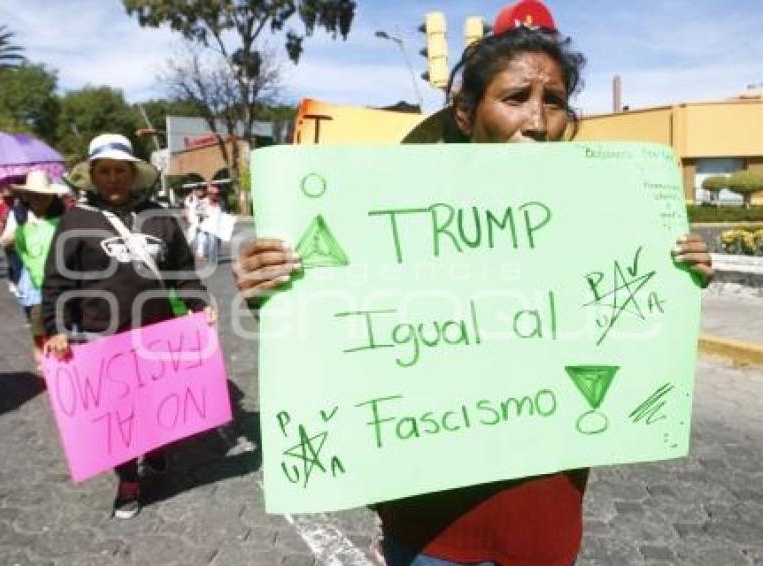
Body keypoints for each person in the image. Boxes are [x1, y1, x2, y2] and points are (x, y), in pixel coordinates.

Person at [233, 1, 714, 564]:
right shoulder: (390, 215)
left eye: (553, 101)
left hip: (545, 522)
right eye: (516, 98)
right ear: (465, 114)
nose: (537, 120)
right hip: (430, 527)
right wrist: (279, 289)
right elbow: (340, 332)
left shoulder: (600, 217)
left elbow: (626, 329)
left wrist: (677, 276)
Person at [40, 133, 211, 520]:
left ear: (132, 174)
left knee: (154, 401)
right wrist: (56, 328)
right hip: (101, 338)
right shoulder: (75, 221)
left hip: (158, 333)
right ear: (94, 176)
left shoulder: (160, 219)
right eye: (105, 171)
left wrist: (200, 304)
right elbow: (56, 284)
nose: (114, 178)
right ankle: (128, 481)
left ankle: (153, 448)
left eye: (120, 171)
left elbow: (182, 271)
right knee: (118, 415)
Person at [10, 171, 67, 370]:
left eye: (42, 195)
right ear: (26, 197)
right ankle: (43, 360)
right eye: (34, 195)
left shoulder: (64, 222)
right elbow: (23, 254)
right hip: (36, 287)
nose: (38, 199)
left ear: (52, 196)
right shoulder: (22, 229)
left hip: (64, 285)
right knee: (38, 324)